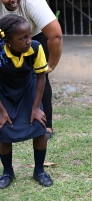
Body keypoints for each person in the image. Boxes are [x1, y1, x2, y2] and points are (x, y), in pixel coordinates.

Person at [0, 0, 63, 138]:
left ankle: (46, 125)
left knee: (40, 76)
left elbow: (55, 35)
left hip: (33, 35)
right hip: (4, 38)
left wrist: (51, 66)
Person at [0, 14, 53, 188]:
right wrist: (1, 111)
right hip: (4, 93)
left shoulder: (36, 48)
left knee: (40, 128)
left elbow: (41, 78)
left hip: (29, 90)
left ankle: (39, 170)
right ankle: (7, 172)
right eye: (22, 38)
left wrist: (36, 107)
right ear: (8, 41)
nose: (28, 40)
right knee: (3, 131)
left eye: (29, 35)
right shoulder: (0, 52)